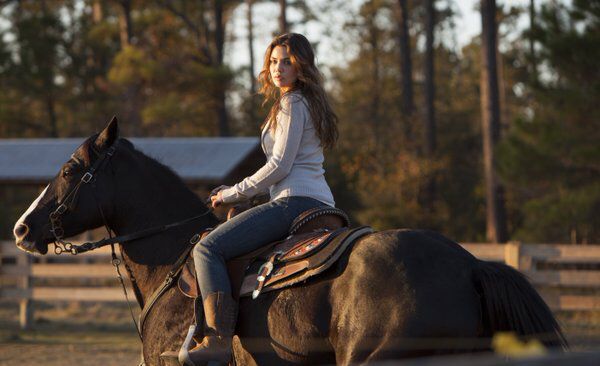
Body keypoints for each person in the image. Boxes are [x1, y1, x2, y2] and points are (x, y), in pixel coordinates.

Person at [184, 33, 339, 364]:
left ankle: (217, 339)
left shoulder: (292, 102)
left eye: (287, 61)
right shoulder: (308, 101)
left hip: (294, 202)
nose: (278, 68)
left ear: (301, 66)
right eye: (273, 61)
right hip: (321, 203)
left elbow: (280, 166)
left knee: (207, 248)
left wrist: (230, 193)